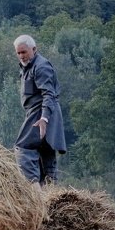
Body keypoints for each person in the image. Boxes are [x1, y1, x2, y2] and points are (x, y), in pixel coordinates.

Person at [13, 34, 67, 188]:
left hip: (41, 113)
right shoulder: (27, 67)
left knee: (23, 148)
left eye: (24, 52)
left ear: (34, 49)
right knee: (45, 154)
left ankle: (34, 192)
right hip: (39, 113)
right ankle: (49, 194)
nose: (22, 56)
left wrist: (44, 119)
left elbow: (49, 94)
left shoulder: (41, 66)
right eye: (19, 53)